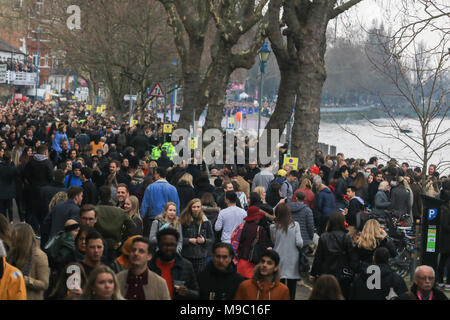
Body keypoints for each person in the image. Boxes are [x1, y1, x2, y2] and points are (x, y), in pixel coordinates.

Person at [310, 212, 359, 299]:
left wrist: (313, 273)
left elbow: (318, 258)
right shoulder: (346, 238)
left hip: (325, 275)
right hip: (342, 276)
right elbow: (352, 258)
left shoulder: (324, 237)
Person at [148, 228, 199, 300]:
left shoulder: (186, 266)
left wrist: (188, 292)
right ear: (158, 245)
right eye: (165, 245)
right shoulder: (149, 266)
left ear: (176, 245)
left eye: (172, 245)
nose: (168, 248)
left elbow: (197, 293)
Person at [7, 223, 50, 300]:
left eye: (15, 238)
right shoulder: (13, 253)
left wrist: (23, 279)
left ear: (22, 239)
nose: (12, 241)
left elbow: (44, 284)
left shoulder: (39, 256)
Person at [269, 204, 303, 300]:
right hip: (293, 258)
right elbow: (299, 242)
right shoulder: (295, 225)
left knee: (279, 286)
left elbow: (273, 241)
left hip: (278, 257)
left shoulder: (273, 227)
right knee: (292, 287)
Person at [237, 206, 273, 279]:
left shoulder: (242, 227)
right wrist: (268, 250)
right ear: (256, 217)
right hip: (253, 262)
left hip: (241, 260)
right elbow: (262, 247)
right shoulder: (260, 229)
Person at [180, 198, 214, 274]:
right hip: (187, 255)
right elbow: (178, 238)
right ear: (190, 208)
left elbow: (211, 239)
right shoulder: (183, 221)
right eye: (194, 207)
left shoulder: (206, 221)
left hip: (200, 256)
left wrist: (204, 241)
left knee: (199, 278)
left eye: (198, 207)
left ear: (201, 208)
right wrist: (189, 240)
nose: (196, 209)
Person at [437, 188, 450, 290]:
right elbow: (445, 225)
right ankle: (447, 282)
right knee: (446, 261)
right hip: (447, 240)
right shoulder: (445, 210)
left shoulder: (442, 209)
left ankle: (440, 281)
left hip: (444, 240)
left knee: (442, 261)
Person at [0, 151, 18, 222]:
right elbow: (16, 175)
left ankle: (3, 220)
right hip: (10, 189)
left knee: (2, 208)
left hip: (1, 189)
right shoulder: (13, 167)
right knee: (10, 206)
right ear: (10, 159)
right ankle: (11, 220)